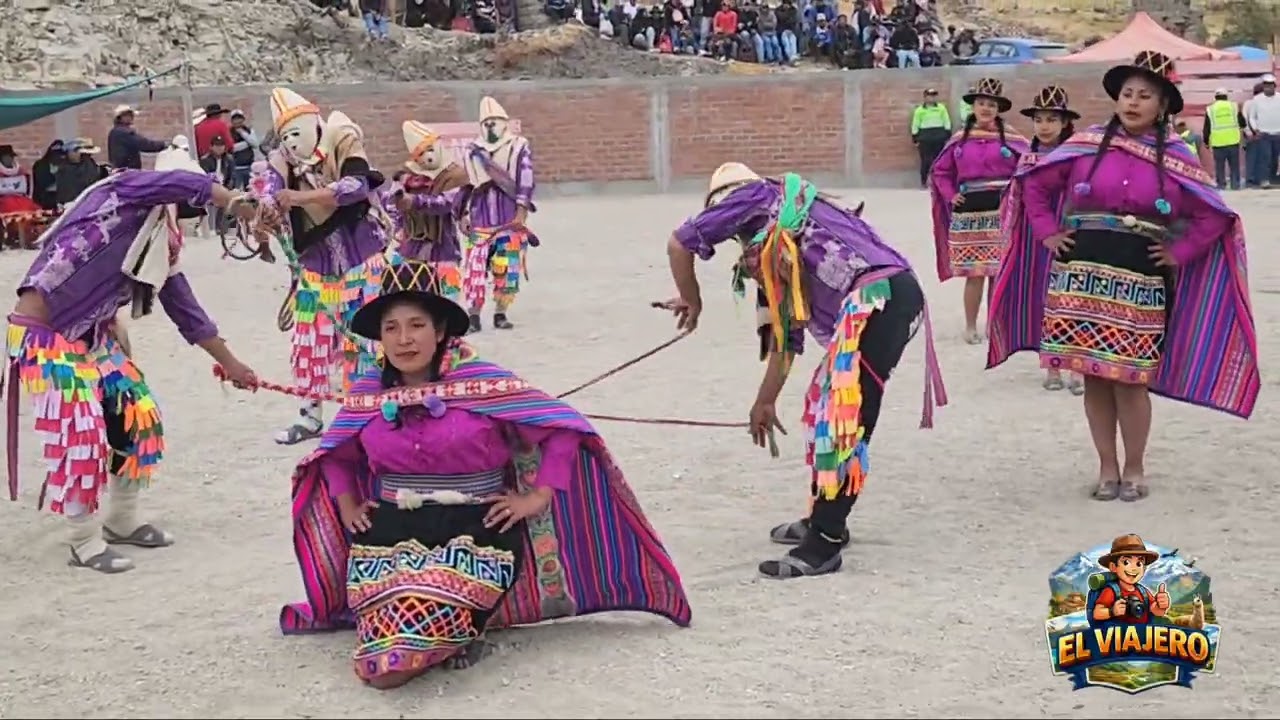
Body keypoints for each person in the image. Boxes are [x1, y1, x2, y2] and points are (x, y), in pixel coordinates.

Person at [276, 259, 691, 688]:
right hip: (389, 534)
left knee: (398, 661)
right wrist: (347, 505)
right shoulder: (367, 393)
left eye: (417, 325)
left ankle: (456, 630)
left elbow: (563, 430)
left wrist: (538, 497)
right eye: (391, 328)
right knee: (378, 666)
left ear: (440, 331)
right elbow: (335, 455)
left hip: (476, 533)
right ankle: (453, 633)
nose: (404, 339)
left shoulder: (484, 383)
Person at [661, 162, 947, 579]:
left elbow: (679, 243)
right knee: (829, 415)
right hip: (886, 297)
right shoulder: (781, 236)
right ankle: (821, 519)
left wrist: (692, 300)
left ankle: (825, 541)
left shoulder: (758, 197)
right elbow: (785, 336)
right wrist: (765, 401)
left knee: (846, 418)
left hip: (878, 299)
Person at [1009, 51, 1259, 501]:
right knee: (1094, 374)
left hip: (1140, 277)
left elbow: (1213, 215)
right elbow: (1034, 184)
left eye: (1145, 95)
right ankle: (1107, 468)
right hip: (1080, 273)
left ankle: (1135, 467)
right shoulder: (1085, 144)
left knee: (1131, 377)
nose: (1133, 102)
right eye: (1127, 93)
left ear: (1162, 105)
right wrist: (1047, 233)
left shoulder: (1178, 157)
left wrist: (1179, 252)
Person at [2, 148, 258, 573]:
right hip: (44, 336)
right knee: (82, 431)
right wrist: (232, 199)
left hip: (92, 336)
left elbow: (187, 312)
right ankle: (83, 539)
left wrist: (231, 364)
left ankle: (122, 519)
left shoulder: (162, 244)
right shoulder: (123, 190)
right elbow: (181, 184)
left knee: (138, 414)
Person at [249, 88, 392, 446]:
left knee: (362, 339)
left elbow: (356, 185)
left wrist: (301, 197)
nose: (291, 142)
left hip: (361, 262)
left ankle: (360, 415)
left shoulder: (343, 139)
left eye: (296, 132)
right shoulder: (282, 160)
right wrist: (265, 211)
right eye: (284, 136)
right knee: (308, 343)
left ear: (314, 123)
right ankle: (309, 417)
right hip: (314, 266)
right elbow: (270, 189)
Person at [987, 85, 1084, 396]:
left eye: (1051, 119)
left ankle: (1077, 366)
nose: (1044, 126)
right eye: (1039, 119)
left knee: (1076, 298)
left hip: (1073, 232)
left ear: (1065, 123)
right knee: (1045, 297)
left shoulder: (1080, 154)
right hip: (1037, 238)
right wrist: (1046, 234)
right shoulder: (1028, 158)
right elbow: (1027, 198)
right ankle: (1052, 365)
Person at [929, 77, 1029, 344]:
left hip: (1002, 212)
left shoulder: (1013, 139)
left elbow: (1029, 167)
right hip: (969, 211)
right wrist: (951, 195)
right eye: (982, 103)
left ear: (998, 109)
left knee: (997, 272)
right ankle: (971, 326)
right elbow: (940, 171)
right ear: (973, 107)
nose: (986, 108)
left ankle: (995, 324)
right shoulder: (959, 140)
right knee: (974, 274)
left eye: (992, 105)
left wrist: (1015, 194)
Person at [460, 97, 538, 333]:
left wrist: (521, 212)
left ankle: (500, 313)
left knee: (507, 268)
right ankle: (473, 316)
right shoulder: (472, 150)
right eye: (486, 122)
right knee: (475, 270)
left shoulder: (519, 146)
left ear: (504, 122)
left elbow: (526, 179)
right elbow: (465, 184)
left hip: (508, 219)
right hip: (480, 219)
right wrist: (462, 213)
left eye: (494, 121)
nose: (490, 126)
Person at [389, 120, 471, 305]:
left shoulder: (455, 174)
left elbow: (448, 202)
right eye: (421, 153)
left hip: (444, 246)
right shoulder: (406, 176)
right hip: (412, 246)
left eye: (430, 149)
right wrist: (397, 225)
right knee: (413, 299)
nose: (428, 156)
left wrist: (415, 201)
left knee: (447, 298)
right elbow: (392, 203)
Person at [1201, 88, 1246, 191]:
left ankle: (1221, 185)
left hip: (1218, 142)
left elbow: (1207, 128)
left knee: (1219, 166)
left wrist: (1206, 141)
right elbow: (1242, 123)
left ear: (1215, 97)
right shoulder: (1233, 107)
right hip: (1233, 140)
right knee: (1234, 165)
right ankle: (1235, 185)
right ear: (1226, 96)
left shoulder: (1210, 109)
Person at [0, 145, 44, 248]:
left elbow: (28, 189)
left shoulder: (22, 172)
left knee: (32, 209)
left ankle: (31, 237)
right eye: (6, 157)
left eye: (11, 157)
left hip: (20, 198)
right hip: (3, 200)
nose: (9, 159)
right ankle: (13, 235)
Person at [107, 105, 169, 171]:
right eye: (128, 115)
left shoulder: (115, 132)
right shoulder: (123, 132)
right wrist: (163, 144)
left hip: (120, 170)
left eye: (131, 115)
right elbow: (144, 144)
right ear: (120, 118)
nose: (131, 117)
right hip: (127, 172)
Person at [911, 88, 951, 187]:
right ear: (925, 97)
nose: (932, 98)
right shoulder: (920, 110)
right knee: (926, 160)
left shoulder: (941, 108)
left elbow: (946, 121)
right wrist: (915, 137)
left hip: (939, 136)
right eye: (930, 96)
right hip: (925, 137)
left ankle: (938, 181)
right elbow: (915, 124)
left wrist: (947, 134)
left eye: (934, 96)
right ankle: (924, 181)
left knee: (939, 160)